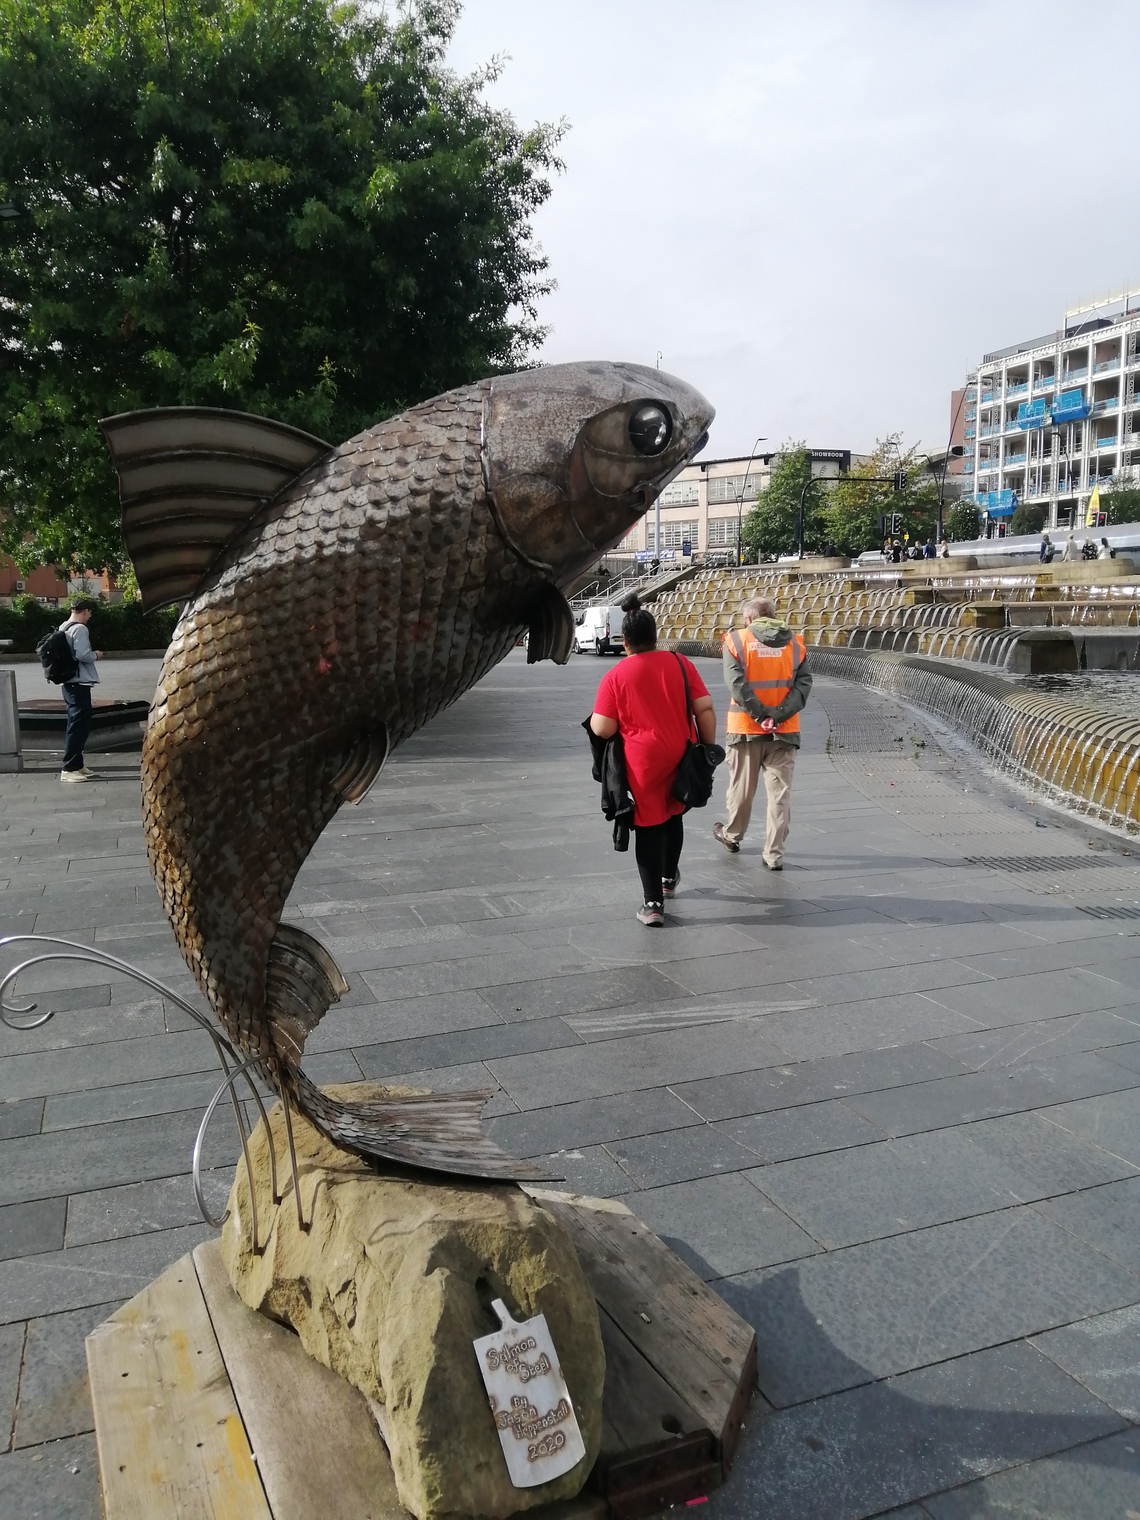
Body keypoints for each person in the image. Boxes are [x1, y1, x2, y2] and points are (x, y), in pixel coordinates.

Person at [589, 594, 716, 926]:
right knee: (674, 814)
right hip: (680, 754)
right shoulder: (679, 663)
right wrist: (707, 747)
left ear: (626, 641)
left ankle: (653, 905)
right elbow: (704, 707)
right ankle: (669, 878)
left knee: (648, 827)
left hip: (642, 763)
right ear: (655, 636)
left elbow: (602, 728)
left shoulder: (616, 676)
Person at [714, 596, 811, 869]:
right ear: (772, 615)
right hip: (785, 730)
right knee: (780, 797)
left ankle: (732, 836)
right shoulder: (796, 644)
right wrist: (777, 715)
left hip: (745, 729)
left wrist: (760, 715)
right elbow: (803, 687)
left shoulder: (735, 641)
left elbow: (736, 685)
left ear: (748, 619)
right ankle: (774, 854)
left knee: (742, 790)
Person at [59, 597, 102, 782]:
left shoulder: (63, 627)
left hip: (68, 682)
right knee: (78, 725)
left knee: (76, 723)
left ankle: (78, 763)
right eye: (89, 613)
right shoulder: (80, 629)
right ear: (85, 611)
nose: (89, 617)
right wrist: (97, 655)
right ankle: (69, 768)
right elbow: (83, 654)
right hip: (79, 682)